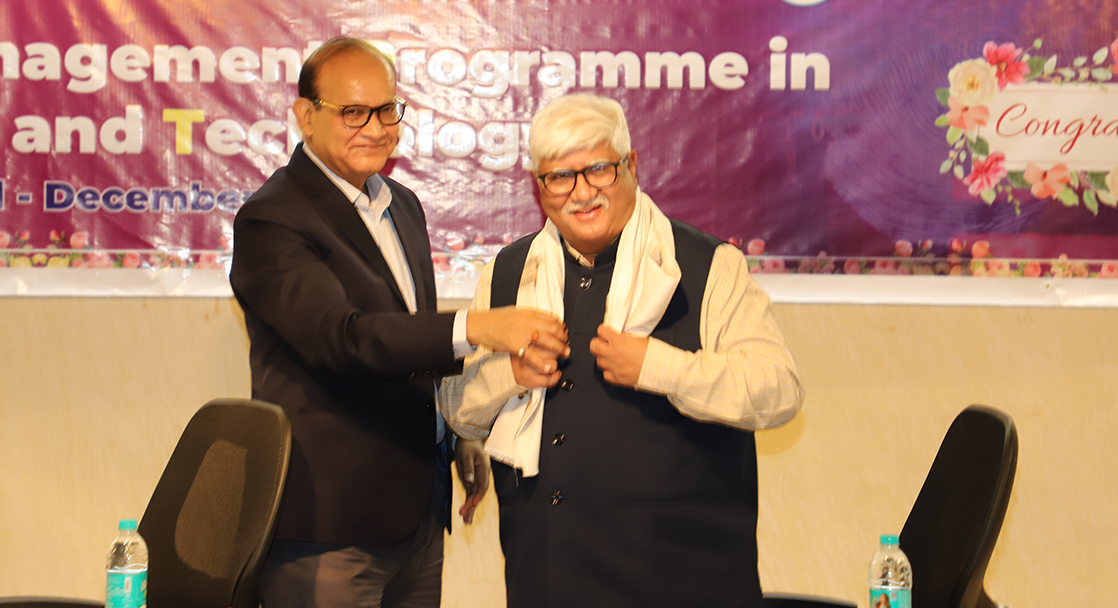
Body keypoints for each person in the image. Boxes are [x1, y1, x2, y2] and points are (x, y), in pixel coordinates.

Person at [230, 37, 568, 608]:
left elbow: (409, 343)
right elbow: (343, 338)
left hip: (418, 513)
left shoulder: (401, 205)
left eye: (387, 110)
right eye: (353, 112)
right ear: (305, 116)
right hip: (330, 526)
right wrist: (478, 327)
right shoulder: (272, 217)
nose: (375, 128)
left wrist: (457, 434)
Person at [440, 93, 804, 608]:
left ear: (631, 165)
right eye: (560, 177)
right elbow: (457, 411)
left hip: (687, 580)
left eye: (598, 170)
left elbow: (779, 390)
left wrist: (660, 366)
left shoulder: (709, 265)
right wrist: (509, 376)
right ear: (539, 186)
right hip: (548, 576)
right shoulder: (509, 273)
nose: (582, 192)